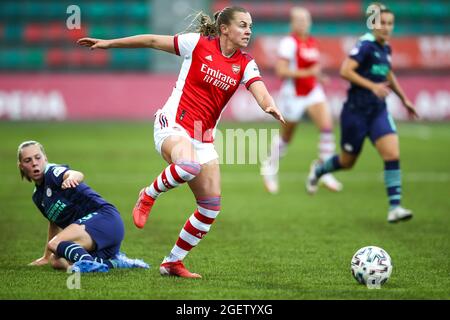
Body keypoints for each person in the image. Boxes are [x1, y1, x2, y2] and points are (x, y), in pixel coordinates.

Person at [77, 6, 285, 278]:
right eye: (243, 25)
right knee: (188, 165)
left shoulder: (245, 62)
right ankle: (148, 194)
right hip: (172, 125)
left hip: (202, 136)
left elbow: (260, 90)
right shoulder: (197, 44)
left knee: (210, 208)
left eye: (250, 26)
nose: (249, 31)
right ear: (224, 28)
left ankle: (172, 262)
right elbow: (152, 40)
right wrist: (109, 44)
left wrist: (269, 106)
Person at [305, 3, 418, 223]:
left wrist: (404, 99)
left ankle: (395, 207)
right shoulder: (365, 45)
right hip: (356, 112)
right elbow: (345, 70)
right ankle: (319, 170)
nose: (386, 27)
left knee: (392, 154)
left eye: (390, 24)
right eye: (382, 23)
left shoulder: (386, 48)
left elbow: (388, 73)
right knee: (347, 162)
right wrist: (372, 86)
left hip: (378, 111)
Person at [18, 141, 149, 272]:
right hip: (97, 238)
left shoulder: (52, 172)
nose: (34, 163)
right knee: (56, 259)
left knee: (55, 244)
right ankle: (114, 262)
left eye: (38, 157)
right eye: (28, 160)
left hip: (105, 218)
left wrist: (71, 178)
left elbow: (76, 174)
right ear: (21, 166)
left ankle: (90, 266)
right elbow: (54, 223)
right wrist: (46, 257)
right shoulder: (37, 197)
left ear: (45, 158)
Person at [260, 7, 343, 194]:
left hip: (313, 91)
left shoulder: (312, 42)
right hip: (293, 95)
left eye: (305, 20)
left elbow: (312, 67)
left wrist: (319, 76)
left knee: (327, 128)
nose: (303, 23)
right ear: (292, 23)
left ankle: (325, 172)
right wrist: (308, 73)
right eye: (298, 20)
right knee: (287, 136)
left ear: (310, 22)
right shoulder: (289, 43)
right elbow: (281, 71)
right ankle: (269, 168)